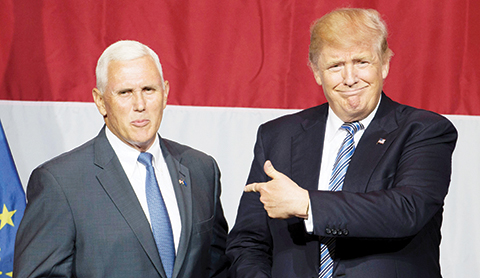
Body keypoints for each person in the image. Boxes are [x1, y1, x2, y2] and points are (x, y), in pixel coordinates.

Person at [226, 8, 457, 278]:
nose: (350, 79)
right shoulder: (277, 136)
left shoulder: (424, 130)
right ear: (316, 72)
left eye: (361, 62)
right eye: (335, 66)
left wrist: (307, 204)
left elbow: (407, 209)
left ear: (384, 64)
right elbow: (248, 241)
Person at [14, 40, 229, 278]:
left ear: (165, 93)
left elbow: (217, 268)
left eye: (149, 90)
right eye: (125, 93)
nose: (140, 105)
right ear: (100, 101)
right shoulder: (60, 183)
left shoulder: (200, 169)